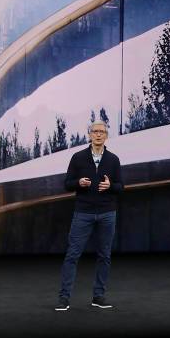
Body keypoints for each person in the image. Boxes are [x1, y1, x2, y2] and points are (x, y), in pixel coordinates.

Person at [55, 120, 123, 311]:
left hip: (107, 213)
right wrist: (79, 183)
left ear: (106, 135)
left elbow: (121, 187)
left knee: (104, 256)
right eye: (95, 131)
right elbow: (67, 183)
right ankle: (64, 298)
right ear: (90, 135)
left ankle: (98, 296)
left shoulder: (113, 159)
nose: (99, 134)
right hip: (83, 212)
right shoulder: (78, 157)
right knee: (72, 255)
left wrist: (111, 186)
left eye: (102, 131)